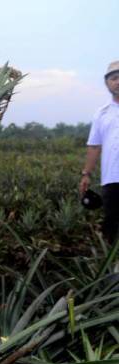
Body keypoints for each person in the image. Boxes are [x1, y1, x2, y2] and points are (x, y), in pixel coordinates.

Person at [79, 60, 119, 244]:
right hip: (111, 179)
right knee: (111, 225)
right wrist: (86, 174)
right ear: (107, 83)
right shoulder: (101, 114)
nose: (118, 81)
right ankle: (112, 269)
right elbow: (94, 146)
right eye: (114, 78)